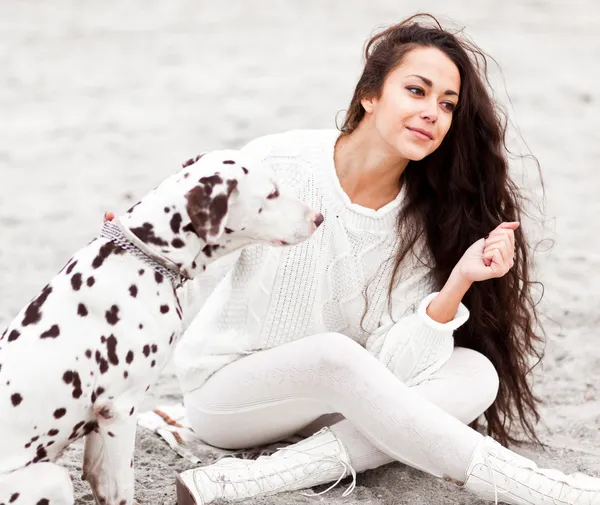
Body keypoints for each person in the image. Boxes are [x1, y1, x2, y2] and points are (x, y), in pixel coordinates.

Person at [108, 14, 600, 505]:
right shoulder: (280, 163)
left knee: (475, 372)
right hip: (229, 395)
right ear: (370, 94)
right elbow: (192, 252)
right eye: (417, 91)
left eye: (447, 104)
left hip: (331, 402)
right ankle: (532, 486)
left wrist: (458, 283)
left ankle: (250, 479)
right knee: (334, 355)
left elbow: (394, 365)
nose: (433, 112)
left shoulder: (425, 217)